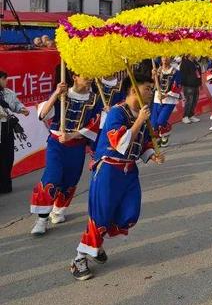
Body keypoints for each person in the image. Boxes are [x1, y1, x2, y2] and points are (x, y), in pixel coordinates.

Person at [70, 74, 165, 280]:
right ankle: (79, 258)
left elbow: (144, 142)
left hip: (129, 171)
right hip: (109, 170)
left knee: (129, 212)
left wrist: (151, 155)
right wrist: (139, 121)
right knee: (101, 216)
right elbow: (119, 143)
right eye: (148, 88)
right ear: (133, 91)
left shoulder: (142, 114)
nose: (151, 92)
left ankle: (97, 244)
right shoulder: (117, 112)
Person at [30, 69, 102, 234]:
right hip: (56, 144)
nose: (90, 78)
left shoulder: (95, 99)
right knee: (52, 177)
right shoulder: (62, 94)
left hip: (77, 145)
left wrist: (72, 135)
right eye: (86, 75)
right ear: (75, 77)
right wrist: (56, 93)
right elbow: (42, 114)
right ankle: (42, 219)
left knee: (70, 179)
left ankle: (59, 209)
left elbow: (95, 124)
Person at [0, 70, 29, 194]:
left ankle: (5, 184)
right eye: (4, 79)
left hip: (7, 127)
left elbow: (16, 105)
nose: (6, 81)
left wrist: (22, 109)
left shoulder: (8, 93)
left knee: (8, 156)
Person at [150, 56, 181, 147]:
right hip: (157, 98)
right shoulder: (157, 70)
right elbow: (153, 84)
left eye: (167, 57)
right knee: (154, 122)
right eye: (163, 57)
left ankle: (165, 135)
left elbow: (177, 86)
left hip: (170, 99)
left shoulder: (176, 72)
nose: (164, 59)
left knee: (161, 120)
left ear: (170, 59)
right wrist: (153, 75)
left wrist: (166, 95)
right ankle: (158, 138)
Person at [179, 55, 202, 124]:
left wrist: (200, 83)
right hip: (188, 86)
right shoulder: (184, 63)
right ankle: (185, 116)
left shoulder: (196, 63)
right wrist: (183, 84)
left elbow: (199, 74)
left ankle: (191, 115)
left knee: (194, 101)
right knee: (189, 101)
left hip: (196, 85)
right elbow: (182, 75)